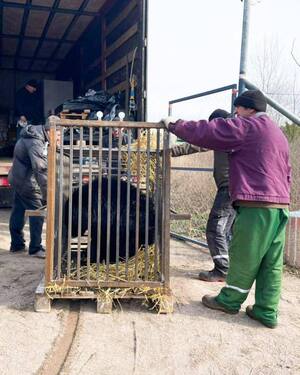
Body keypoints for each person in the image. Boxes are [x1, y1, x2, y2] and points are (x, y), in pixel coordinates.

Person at [163, 90, 290, 328]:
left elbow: (210, 130)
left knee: (244, 255)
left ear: (249, 109)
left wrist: (175, 125)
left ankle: (229, 301)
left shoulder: (249, 126)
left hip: (257, 205)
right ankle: (266, 310)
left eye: (238, 109)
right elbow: (287, 169)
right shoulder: (277, 133)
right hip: (280, 204)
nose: (236, 114)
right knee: (270, 262)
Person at [171, 109, 235, 281]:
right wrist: (170, 152)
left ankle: (222, 270)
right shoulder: (230, 134)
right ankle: (230, 268)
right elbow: (197, 145)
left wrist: (169, 151)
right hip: (236, 189)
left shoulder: (227, 134)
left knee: (215, 228)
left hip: (230, 189)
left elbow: (197, 142)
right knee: (226, 230)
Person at [8, 116, 60, 258]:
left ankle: (16, 244)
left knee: (18, 211)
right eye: (59, 134)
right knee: (38, 213)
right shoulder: (36, 141)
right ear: (50, 131)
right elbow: (40, 169)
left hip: (17, 178)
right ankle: (35, 248)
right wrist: (48, 194)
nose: (59, 138)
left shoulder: (34, 134)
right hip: (26, 183)